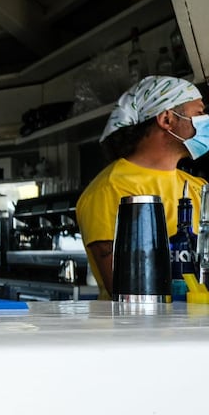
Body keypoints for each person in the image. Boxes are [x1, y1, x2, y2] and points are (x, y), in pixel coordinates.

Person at [76, 75, 208, 300]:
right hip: (142, 332)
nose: (206, 119)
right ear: (167, 119)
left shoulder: (200, 187)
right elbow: (128, 292)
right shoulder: (109, 189)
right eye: (199, 113)